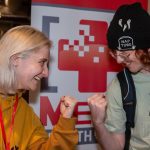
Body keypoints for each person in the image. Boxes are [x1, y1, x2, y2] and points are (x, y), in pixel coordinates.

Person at [0, 25, 78, 150]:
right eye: (42, 62)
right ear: (16, 60)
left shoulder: (22, 109)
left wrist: (66, 121)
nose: (46, 73)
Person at [88, 2, 150, 150]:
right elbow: (116, 146)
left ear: (146, 48)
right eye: (115, 53)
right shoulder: (121, 86)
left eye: (125, 54)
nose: (118, 60)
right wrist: (98, 123)